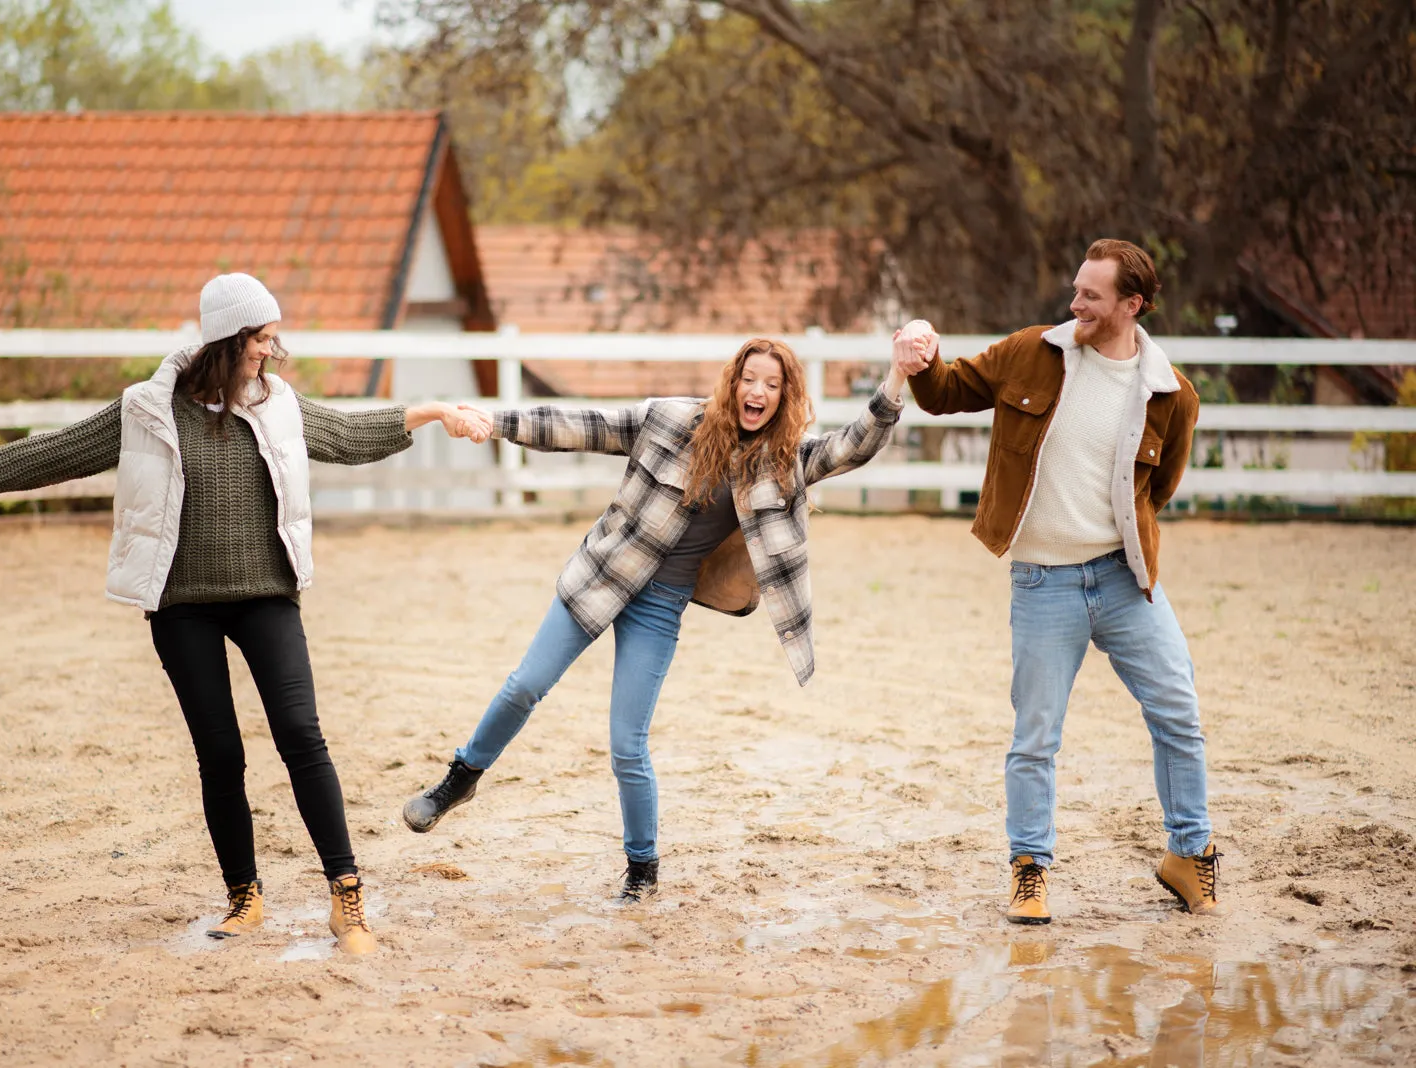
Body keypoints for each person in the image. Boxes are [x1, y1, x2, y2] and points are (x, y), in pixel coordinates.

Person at [0, 273, 491, 953]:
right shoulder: (147, 409)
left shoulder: (279, 403)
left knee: (301, 734)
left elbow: (350, 436)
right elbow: (56, 453)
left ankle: (345, 895)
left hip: (266, 593)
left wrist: (436, 411)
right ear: (229, 341)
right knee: (219, 753)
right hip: (181, 606)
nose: (271, 350)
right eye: (261, 339)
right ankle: (243, 897)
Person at [400, 336, 908, 902]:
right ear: (732, 382)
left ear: (785, 397)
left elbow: (853, 447)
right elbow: (581, 425)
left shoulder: (783, 461)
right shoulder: (668, 420)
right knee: (525, 685)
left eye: (772, 384)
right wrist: (492, 422)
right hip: (601, 576)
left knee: (627, 743)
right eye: (750, 379)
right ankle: (459, 780)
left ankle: (642, 871)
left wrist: (896, 376)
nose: (757, 391)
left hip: (660, 606)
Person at [892, 239, 1218, 925]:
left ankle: (1190, 854)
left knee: (1179, 712)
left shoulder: (1171, 394)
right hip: (1043, 583)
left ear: (1132, 305)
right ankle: (1030, 869)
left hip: (1125, 580)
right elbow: (948, 393)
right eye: (1076, 290)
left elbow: (1156, 488)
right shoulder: (1031, 352)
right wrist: (921, 364)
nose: (1075, 304)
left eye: (1091, 296)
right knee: (1036, 736)